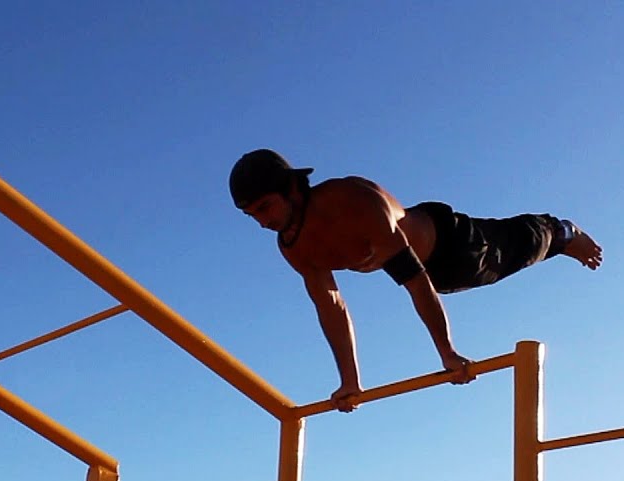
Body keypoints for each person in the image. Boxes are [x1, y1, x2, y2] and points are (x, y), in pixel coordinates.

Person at [229, 149, 603, 413]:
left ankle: (562, 230)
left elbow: (413, 279)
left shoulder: (351, 202)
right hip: (436, 277)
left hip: (454, 244)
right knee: (488, 267)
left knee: (513, 250)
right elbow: (332, 307)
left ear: (293, 189)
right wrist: (350, 382)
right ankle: (558, 240)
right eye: (251, 215)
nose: (262, 221)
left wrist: (447, 352)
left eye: (265, 207)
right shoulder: (292, 245)